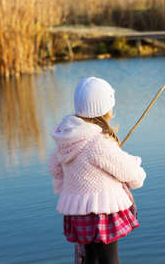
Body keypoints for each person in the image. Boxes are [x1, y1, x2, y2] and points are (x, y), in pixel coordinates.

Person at [48, 76, 146, 264]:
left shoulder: (67, 139)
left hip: (77, 213)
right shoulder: (97, 143)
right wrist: (138, 170)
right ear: (104, 109)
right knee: (110, 260)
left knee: (90, 258)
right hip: (102, 211)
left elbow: (54, 166)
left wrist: (68, 187)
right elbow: (128, 172)